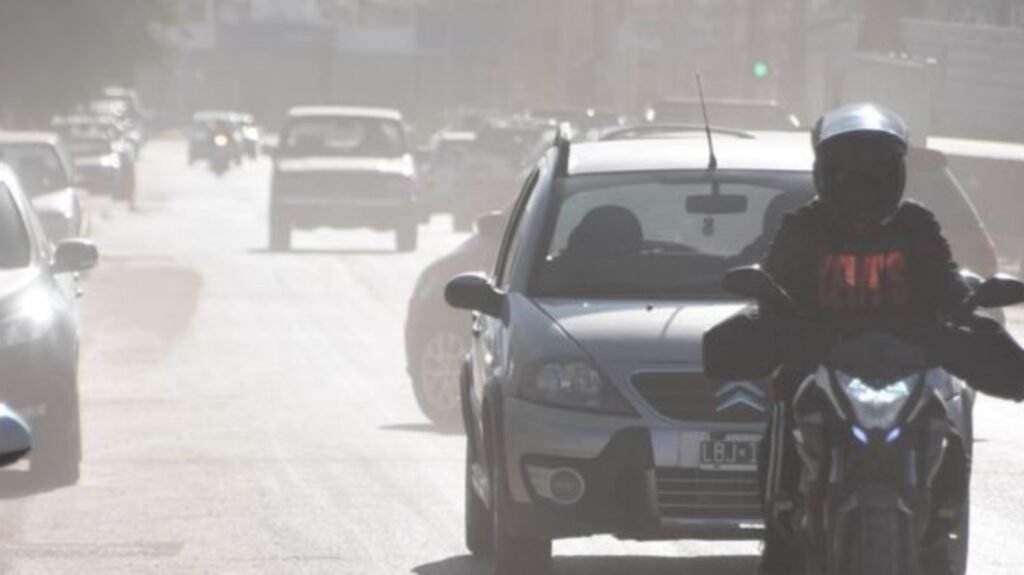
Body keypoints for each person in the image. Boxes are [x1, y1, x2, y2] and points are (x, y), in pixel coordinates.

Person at [706, 103, 1023, 575]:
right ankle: (783, 525)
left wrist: (966, 316)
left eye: (877, 170)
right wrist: (773, 323)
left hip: (906, 369)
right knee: (784, 411)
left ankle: (942, 521)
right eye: (848, 170)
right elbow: (772, 292)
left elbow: (948, 286)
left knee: (949, 421)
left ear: (896, 173)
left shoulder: (916, 225)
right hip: (821, 366)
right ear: (825, 172)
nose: (862, 183)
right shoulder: (804, 226)